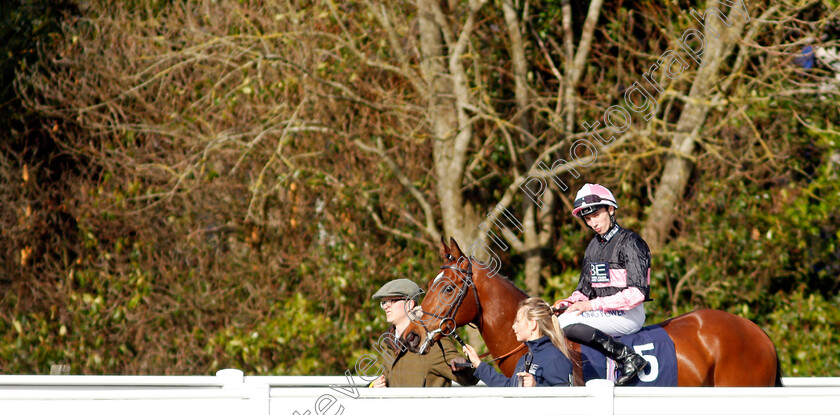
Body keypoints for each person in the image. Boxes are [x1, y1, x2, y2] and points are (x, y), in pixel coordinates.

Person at [553, 183, 649, 386]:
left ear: (610, 209)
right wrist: (568, 303)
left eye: (596, 215)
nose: (593, 223)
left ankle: (627, 357)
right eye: (588, 219)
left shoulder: (631, 242)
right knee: (558, 319)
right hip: (604, 313)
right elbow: (584, 291)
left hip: (628, 315)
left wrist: (591, 306)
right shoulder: (592, 247)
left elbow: (637, 293)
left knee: (565, 324)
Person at [369, 278, 479, 387]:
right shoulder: (388, 343)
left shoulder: (434, 342)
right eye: (384, 302)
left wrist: (462, 367)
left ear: (409, 304)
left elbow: (470, 379)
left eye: (392, 301)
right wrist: (374, 387)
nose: (385, 306)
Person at [463, 298, 574, 387]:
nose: (513, 326)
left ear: (532, 324)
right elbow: (508, 387)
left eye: (518, 321)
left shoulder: (555, 358)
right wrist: (478, 364)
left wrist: (536, 387)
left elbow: (564, 402)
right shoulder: (525, 359)